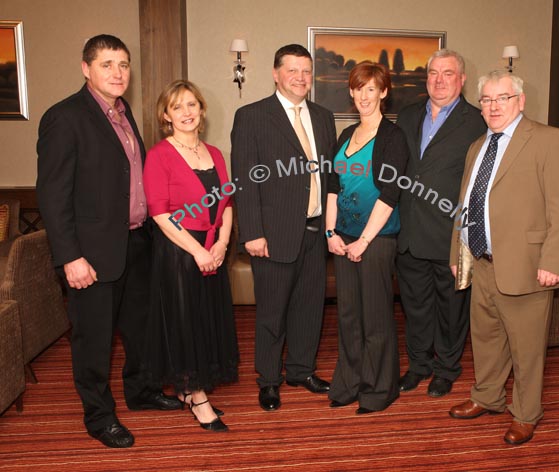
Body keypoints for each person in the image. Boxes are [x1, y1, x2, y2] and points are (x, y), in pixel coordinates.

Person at [36, 34, 181, 449]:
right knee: (94, 340)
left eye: (124, 64)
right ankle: (99, 417)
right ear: (86, 68)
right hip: (92, 254)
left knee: (141, 330)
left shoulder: (124, 111)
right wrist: (70, 257)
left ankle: (141, 391)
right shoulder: (64, 117)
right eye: (107, 64)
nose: (118, 73)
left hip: (137, 244)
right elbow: (52, 194)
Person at [448, 70, 559, 445]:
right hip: (482, 262)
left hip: (527, 266)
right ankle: (487, 397)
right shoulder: (477, 146)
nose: (492, 106)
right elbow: (464, 205)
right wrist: (456, 250)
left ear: (519, 101)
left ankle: (525, 414)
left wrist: (553, 261)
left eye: (501, 98)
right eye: (486, 100)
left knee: (526, 348)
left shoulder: (549, 140)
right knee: (486, 340)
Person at [231, 44, 337, 411]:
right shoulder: (252, 116)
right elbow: (245, 180)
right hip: (272, 235)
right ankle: (270, 380)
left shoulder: (323, 117)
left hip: (315, 231)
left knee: (310, 309)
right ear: (275, 74)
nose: (300, 77)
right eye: (292, 70)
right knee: (272, 313)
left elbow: (329, 175)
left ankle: (301, 370)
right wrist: (252, 233)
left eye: (306, 71)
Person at [142, 80, 239, 433]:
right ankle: (197, 397)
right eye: (177, 107)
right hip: (179, 251)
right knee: (184, 323)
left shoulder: (214, 153)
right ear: (166, 115)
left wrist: (221, 245)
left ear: (201, 109)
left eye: (191, 105)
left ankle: (191, 390)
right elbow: (160, 214)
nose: (186, 112)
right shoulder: (159, 155)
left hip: (213, 248)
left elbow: (227, 201)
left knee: (204, 320)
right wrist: (198, 250)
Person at [394, 49, 487, 397]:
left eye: (448, 73)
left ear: (462, 80)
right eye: (433, 73)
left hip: (450, 235)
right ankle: (419, 365)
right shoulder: (407, 115)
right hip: (410, 232)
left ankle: (446, 369)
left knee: (451, 310)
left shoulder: (477, 121)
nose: (439, 80)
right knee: (415, 307)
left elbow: (481, 184)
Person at [326, 61, 408, 414]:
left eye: (371, 88)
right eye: (359, 88)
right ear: (351, 91)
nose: (364, 95)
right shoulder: (346, 136)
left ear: (384, 92)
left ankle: (378, 388)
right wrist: (330, 232)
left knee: (375, 316)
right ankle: (349, 381)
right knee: (348, 314)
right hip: (342, 238)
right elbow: (332, 187)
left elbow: (390, 194)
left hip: (376, 239)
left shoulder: (393, 137)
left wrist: (364, 241)